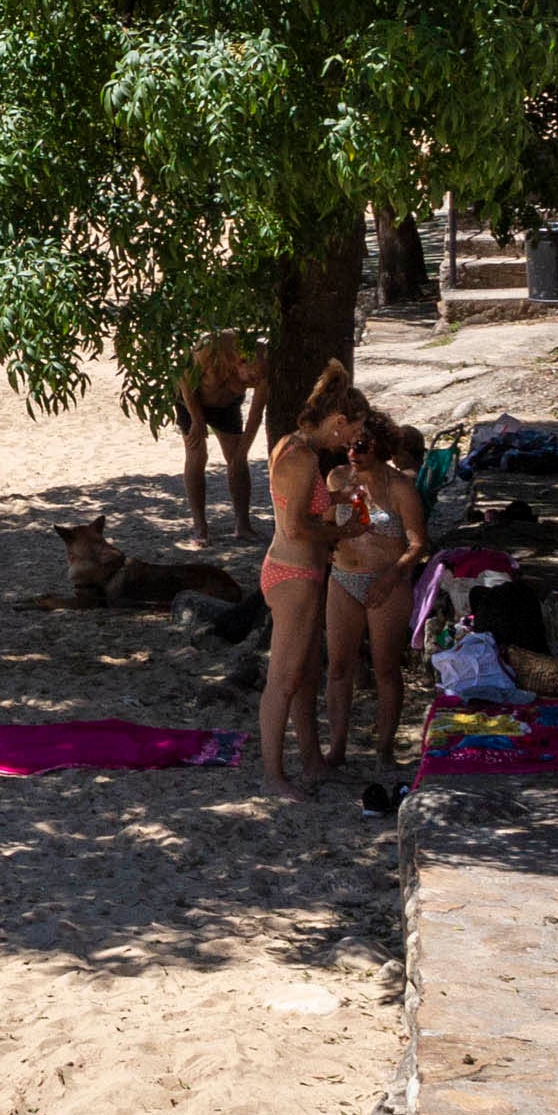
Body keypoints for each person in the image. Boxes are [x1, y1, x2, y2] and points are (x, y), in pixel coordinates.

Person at [256, 362, 368, 798]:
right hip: (293, 574)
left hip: (297, 571)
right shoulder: (302, 458)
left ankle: (311, 760)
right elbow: (297, 527)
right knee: (283, 679)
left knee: (303, 675)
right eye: (350, 432)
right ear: (338, 421)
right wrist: (343, 531)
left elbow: (299, 507)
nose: (350, 442)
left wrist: (337, 499)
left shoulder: (292, 445)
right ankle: (273, 776)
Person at [322, 419, 430, 773]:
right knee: (338, 667)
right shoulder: (337, 479)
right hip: (343, 579)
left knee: (385, 668)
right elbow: (324, 525)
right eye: (351, 445)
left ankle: (384, 749)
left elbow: (417, 544)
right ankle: (336, 748)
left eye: (363, 446)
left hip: (388, 582)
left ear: (381, 448)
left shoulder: (400, 487)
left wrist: (392, 575)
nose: (354, 453)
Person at [175, 330, 269, 543]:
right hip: (192, 402)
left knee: (237, 459)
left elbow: (255, 415)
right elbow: (184, 380)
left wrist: (242, 453)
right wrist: (197, 420)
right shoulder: (212, 346)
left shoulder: (264, 366)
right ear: (241, 362)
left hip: (226, 406)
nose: (252, 385)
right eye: (251, 378)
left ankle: (243, 525)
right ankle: (200, 527)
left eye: (256, 382)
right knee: (196, 455)